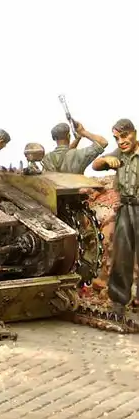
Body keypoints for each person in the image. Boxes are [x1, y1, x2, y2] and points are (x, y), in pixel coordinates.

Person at [92, 118, 139, 315]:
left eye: (125, 136)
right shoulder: (119, 153)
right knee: (122, 255)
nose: (121, 141)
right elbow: (95, 165)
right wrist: (105, 160)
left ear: (134, 133)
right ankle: (119, 301)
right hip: (125, 208)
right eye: (117, 138)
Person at [41, 121, 107, 174]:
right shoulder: (79, 154)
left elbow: (64, 154)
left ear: (54, 138)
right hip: (76, 187)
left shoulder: (46, 158)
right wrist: (83, 132)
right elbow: (103, 142)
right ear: (69, 136)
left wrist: (77, 139)